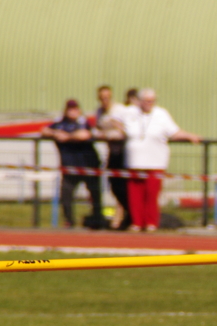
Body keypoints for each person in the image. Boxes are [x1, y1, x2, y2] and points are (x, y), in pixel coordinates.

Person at [122, 89, 200, 232]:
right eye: (146, 101)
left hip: (155, 162)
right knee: (135, 196)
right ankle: (136, 223)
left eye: (152, 101)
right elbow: (116, 122)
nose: (149, 103)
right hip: (134, 162)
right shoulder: (130, 112)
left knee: (152, 195)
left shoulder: (161, 114)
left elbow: (174, 132)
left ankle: (151, 223)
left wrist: (190, 136)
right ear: (140, 101)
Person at [41, 99, 104, 228]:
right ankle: (69, 220)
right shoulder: (60, 124)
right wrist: (55, 133)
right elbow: (44, 130)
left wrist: (68, 137)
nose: (72, 112)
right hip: (69, 167)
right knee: (66, 194)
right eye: (70, 109)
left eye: (75, 109)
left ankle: (97, 219)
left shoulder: (83, 122)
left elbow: (85, 134)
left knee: (94, 193)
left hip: (88, 165)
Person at [94, 85, 131, 230]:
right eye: (102, 98)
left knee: (123, 187)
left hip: (124, 152)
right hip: (112, 152)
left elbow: (126, 131)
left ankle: (129, 217)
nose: (105, 100)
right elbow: (98, 129)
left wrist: (114, 130)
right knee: (114, 186)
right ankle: (124, 216)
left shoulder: (120, 110)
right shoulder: (99, 112)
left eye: (107, 97)